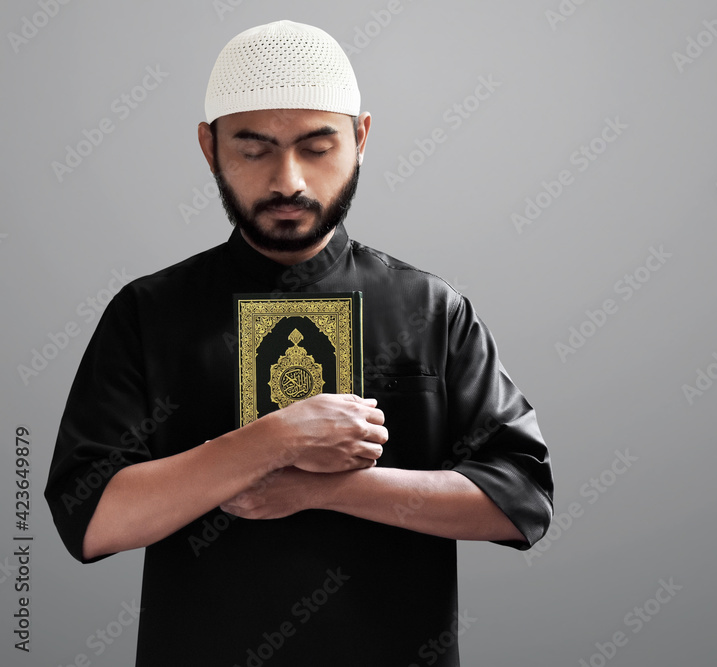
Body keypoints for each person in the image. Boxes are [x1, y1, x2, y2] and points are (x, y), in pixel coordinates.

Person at [44, 19, 553, 666]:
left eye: (317, 146)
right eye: (254, 150)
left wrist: (324, 488)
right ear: (208, 146)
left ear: (361, 138)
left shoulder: (431, 309)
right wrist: (273, 440)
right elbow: (90, 520)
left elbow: (520, 499)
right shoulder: (148, 313)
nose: (289, 181)